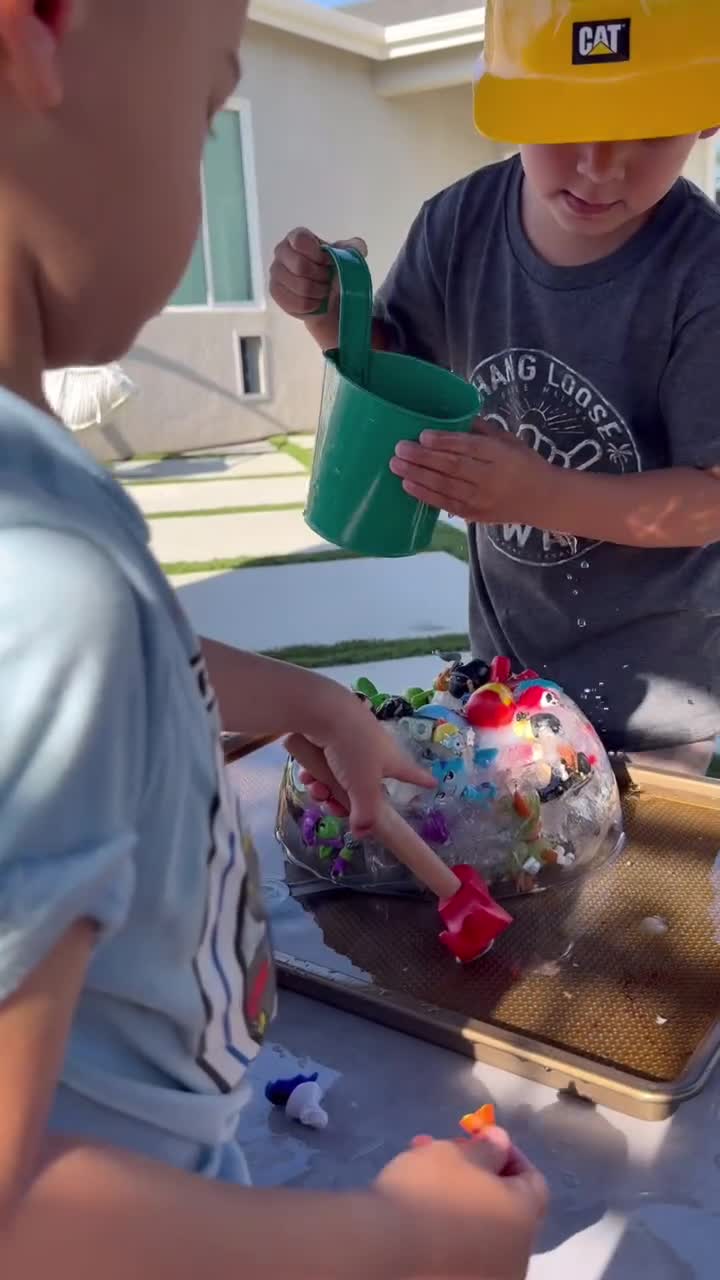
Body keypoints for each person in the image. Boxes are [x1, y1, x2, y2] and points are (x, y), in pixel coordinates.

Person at [0, 2, 547, 1277]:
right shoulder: (48, 580)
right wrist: (399, 1243)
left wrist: (313, 702)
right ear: (41, 30)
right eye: (209, 109)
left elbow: (110, 669)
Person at [270, 0, 720, 776]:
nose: (599, 164)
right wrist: (328, 315)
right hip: (504, 679)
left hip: (659, 711)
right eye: (564, 118)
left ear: (707, 118)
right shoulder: (458, 224)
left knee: (634, 860)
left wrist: (540, 495)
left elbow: (710, 501)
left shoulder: (703, 274)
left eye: (648, 129)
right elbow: (393, 371)